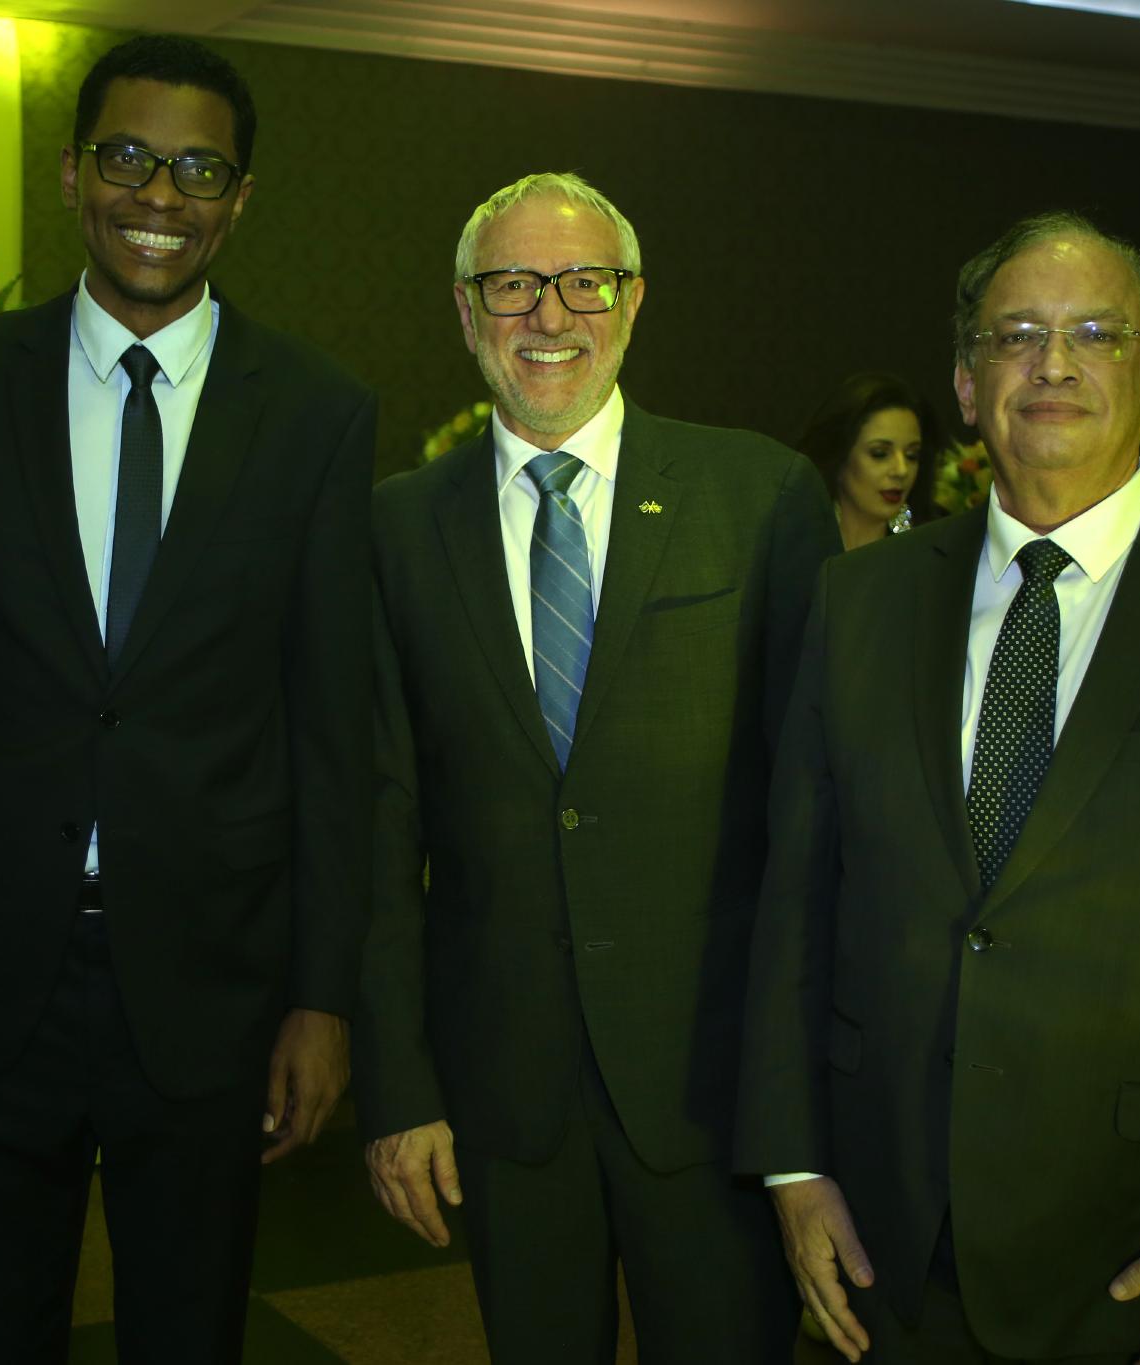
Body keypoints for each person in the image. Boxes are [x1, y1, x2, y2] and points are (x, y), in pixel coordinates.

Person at [736, 211, 1140, 1365]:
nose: (1051, 363)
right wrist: (792, 1168)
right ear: (965, 383)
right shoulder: (858, 602)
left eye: (1095, 334)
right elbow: (795, 901)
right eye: (1015, 336)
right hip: (889, 1248)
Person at [0, 34, 375, 1364]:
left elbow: (334, 734)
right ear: (71, 173)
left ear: (240, 199)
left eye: (198, 169)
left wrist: (322, 998)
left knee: (190, 1332)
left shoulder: (318, 415)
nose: (159, 195)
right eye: (128, 157)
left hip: (213, 990)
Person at [357, 171, 838, 1363]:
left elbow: (816, 817)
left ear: (632, 301)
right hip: (500, 1101)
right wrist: (399, 1090)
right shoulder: (396, 530)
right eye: (512, 285)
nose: (548, 316)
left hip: (713, 1095)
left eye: (583, 282)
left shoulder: (757, 495)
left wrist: (805, 1105)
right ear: (465, 310)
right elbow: (377, 824)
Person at [796, 371, 941, 549]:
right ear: (839, 455)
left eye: (912, 455)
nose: (901, 470)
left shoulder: (929, 551)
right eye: (879, 453)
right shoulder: (798, 545)